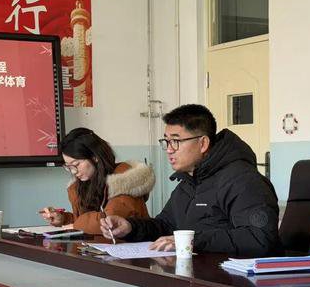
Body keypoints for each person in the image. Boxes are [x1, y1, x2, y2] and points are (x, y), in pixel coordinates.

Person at [100, 104, 281, 257]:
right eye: (166, 142)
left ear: (203, 144)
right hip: (198, 275)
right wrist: (130, 227)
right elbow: (166, 226)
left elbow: (259, 238)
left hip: (233, 282)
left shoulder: (243, 181)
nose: (169, 150)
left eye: (176, 141)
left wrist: (191, 241)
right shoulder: (189, 182)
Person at [40, 128, 155, 234]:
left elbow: (109, 221)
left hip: (131, 245)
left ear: (95, 157)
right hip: (99, 246)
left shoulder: (124, 177)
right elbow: (85, 220)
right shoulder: (82, 184)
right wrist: (64, 219)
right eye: (68, 166)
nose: (73, 171)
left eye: (76, 164)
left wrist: (76, 225)